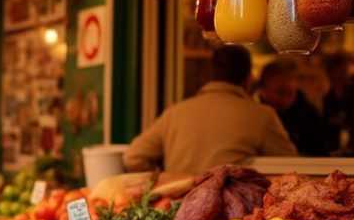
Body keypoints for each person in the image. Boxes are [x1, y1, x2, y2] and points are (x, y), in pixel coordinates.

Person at [123, 46, 297, 175]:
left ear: (210, 76)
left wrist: (165, 180)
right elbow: (291, 166)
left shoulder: (174, 113)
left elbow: (132, 158)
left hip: (176, 211)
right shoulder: (261, 116)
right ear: (248, 80)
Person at [256, 59, 329, 156]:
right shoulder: (252, 111)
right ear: (263, 88)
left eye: (290, 93)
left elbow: (320, 151)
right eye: (280, 92)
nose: (285, 100)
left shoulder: (307, 113)